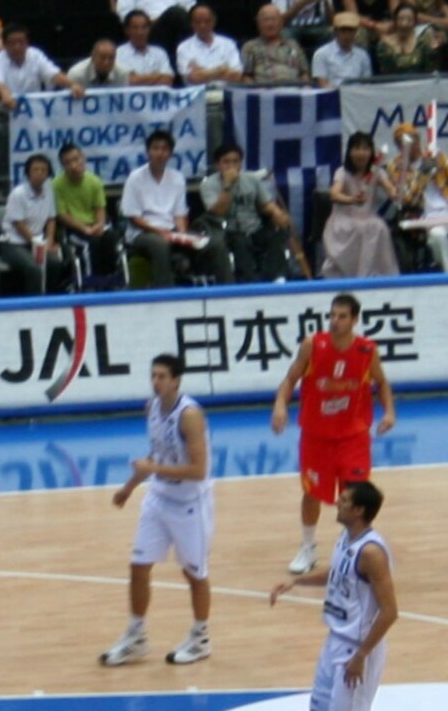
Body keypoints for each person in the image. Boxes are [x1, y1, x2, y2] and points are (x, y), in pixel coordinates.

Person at [269, 480, 398, 711]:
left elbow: (390, 611)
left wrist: (361, 656)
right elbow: (336, 573)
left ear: (358, 510)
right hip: (335, 641)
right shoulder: (347, 539)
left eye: (342, 501)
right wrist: (296, 583)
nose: (336, 505)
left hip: (356, 651)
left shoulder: (372, 552)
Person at [101, 353, 214, 667]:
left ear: (176, 380)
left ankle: (201, 637)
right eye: (153, 375)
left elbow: (199, 469)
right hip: (159, 498)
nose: (156, 381)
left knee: (194, 574)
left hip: (191, 504)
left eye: (162, 376)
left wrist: (151, 467)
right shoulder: (151, 408)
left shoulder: (189, 415)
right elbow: (156, 453)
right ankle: (136, 635)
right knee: (138, 566)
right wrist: (130, 486)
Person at [271, 292, 395, 574]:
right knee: (311, 494)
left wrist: (389, 412)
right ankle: (308, 548)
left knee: (355, 496)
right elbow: (290, 379)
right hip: (317, 436)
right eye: (332, 315)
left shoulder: (367, 350)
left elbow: (382, 383)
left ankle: (353, 549)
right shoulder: (313, 345)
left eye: (341, 317)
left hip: (353, 437)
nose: (335, 321)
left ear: (354, 320)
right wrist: (280, 406)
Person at [387, 123, 448, 273]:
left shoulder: (437, 156)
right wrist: (422, 176)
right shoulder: (395, 166)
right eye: (405, 142)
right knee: (438, 237)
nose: (411, 145)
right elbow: (407, 200)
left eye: (414, 139)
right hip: (426, 218)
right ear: (399, 146)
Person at [197, 143, 292, 283]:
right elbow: (218, 212)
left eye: (236, 161)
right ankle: (250, 282)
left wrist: (277, 212)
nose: (231, 166)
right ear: (217, 165)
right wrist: (227, 185)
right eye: (226, 162)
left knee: (277, 234)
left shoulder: (252, 180)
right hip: (226, 230)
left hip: (254, 227)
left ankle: (276, 278)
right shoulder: (208, 185)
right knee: (239, 242)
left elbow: (266, 204)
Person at [120, 128, 196, 287]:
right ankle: (166, 291)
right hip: (142, 233)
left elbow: (180, 214)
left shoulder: (177, 178)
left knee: (203, 243)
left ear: (170, 153)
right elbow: (134, 218)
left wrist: (182, 234)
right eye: (155, 148)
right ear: (148, 152)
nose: (160, 153)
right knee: (159, 243)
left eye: (164, 149)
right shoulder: (135, 177)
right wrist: (160, 232)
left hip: (170, 230)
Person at [321, 131, 399, 279]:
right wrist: (352, 200)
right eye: (357, 149)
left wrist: (396, 193)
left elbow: (391, 190)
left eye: (365, 149)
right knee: (363, 228)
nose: (361, 153)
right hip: (343, 220)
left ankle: (374, 277)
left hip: (367, 218)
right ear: (349, 152)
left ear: (371, 152)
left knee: (379, 227)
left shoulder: (377, 172)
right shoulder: (342, 172)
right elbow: (334, 194)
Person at [0, 153, 68, 295]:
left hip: (38, 242)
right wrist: (36, 243)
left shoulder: (49, 190)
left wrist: (49, 241)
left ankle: (53, 300)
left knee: (55, 263)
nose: (40, 173)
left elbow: (51, 219)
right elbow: (19, 224)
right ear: (28, 173)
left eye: (44, 170)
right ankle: (35, 306)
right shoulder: (18, 194)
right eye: (36, 170)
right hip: (13, 243)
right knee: (33, 268)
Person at [54, 142, 120, 284]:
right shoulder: (57, 184)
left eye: (76, 159)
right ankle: (90, 282)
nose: (73, 165)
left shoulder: (94, 181)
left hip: (94, 224)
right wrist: (85, 229)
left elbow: (100, 208)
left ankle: (111, 280)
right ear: (63, 166)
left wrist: (99, 225)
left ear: (83, 159)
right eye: (68, 162)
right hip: (74, 228)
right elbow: (63, 215)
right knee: (90, 244)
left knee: (110, 238)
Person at [0, 23, 84, 110]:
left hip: (32, 111)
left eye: (21, 42)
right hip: (0, 109)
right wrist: (4, 93)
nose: (17, 47)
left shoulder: (35, 55)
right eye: (12, 43)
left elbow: (53, 74)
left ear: (27, 43)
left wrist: (71, 85)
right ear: (5, 45)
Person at [176, 4, 243, 86]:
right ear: (191, 24)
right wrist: (221, 69)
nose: (202, 26)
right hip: (198, 95)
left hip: (226, 93)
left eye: (207, 21)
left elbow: (236, 76)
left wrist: (203, 72)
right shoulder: (183, 48)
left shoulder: (228, 44)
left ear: (214, 21)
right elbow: (192, 78)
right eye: (198, 22)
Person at [241, 5, 310, 84]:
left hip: (294, 90)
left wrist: (305, 88)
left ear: (281, 22)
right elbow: (246, 76)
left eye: (274, 19)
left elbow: (304, 72)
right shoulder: (250, 47)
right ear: (258, 23)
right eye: (265, 20)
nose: (270, 24)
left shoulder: (294, 45)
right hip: (265, 92)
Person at [115, 9, 176, 86]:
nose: (140, 32)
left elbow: (168, 80)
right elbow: (130, 81)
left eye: (144, 27)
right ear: (126, 30)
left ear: (149, 29)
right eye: (135, 28)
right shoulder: (118, 53)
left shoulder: (160, 52)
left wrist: (139, 78)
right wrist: (158, 75)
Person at [375, 4, 440, 75]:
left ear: (415, 22)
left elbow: (430, 70)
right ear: (395, 21)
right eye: (401, 19)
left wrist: (433, 52)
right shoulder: (384, 45)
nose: (404, 24)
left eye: (409, 20)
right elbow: (385, 72)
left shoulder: (422, 42)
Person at [311, 12, 373, 87]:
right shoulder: (321, 54)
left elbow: (366, 84)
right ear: (335, 31)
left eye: (350, 31)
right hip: (333, 96)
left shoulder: (363, 55)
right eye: (343, 30)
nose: (347, 35)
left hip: (358, 96)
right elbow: (323, 84)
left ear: (355, 32)